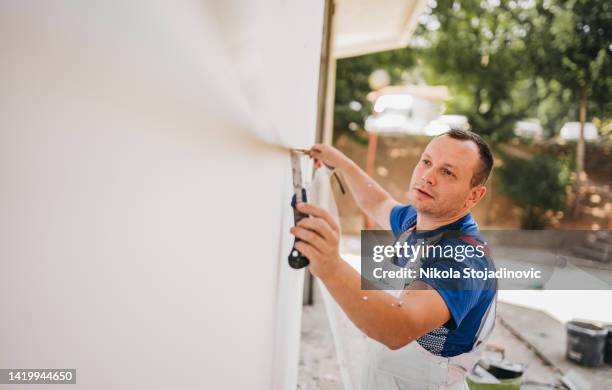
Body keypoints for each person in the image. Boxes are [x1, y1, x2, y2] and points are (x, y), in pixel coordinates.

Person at [290, 129, 498, 389]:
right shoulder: (416, 221)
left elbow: (399, 327)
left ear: (474, 196)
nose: (427, 176)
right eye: (426, 161)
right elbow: (377, 202)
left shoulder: (463, 259)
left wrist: (331, 267)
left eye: (448, 172)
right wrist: (340, 162)